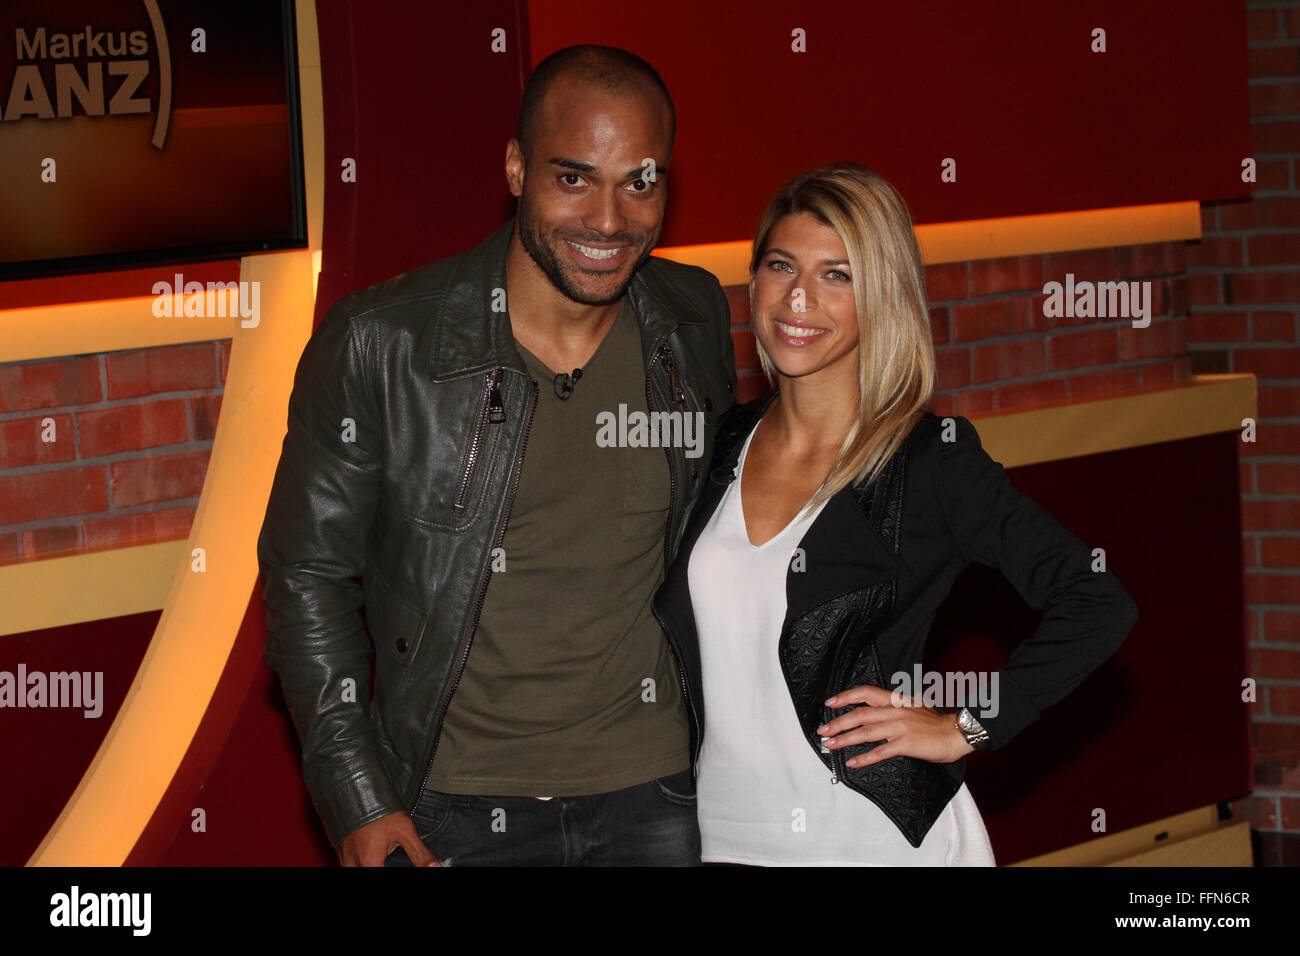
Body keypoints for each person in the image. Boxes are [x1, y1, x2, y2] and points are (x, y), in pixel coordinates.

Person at [257, 45, 736, 867]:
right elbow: (307, 579)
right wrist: (357, 797)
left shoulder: (691, 322)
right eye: (575, 178)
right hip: (453, 810)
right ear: (517, 169)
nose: (611, 220)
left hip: (660, 796)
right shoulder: (382, 343)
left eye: (640, 182)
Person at [652, 162, 1139, 866]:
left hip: (872, 840)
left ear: (881, 298)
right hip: (719, 836)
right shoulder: (722, 441)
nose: (798, 296)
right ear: (753, 281)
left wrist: (967, 726)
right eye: (781, 265)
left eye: (837, 276)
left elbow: (1096, 599)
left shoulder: (928, 461)